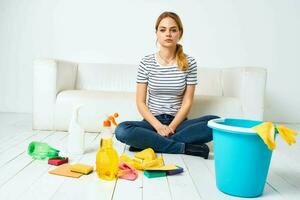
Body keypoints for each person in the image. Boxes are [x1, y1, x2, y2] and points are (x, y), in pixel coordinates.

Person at [115, 11, 219, 159]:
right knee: (122, 130)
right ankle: (183, 148)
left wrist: (171, 127)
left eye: (173, 30)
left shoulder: (190, 63)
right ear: (157, 33)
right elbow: (140, 102)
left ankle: (147, 144)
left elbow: (187, 102)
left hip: (178, 124)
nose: (168, 34)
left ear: (180, 33)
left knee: (215, 122)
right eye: (163, 30)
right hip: (152, 123)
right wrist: (159, 127)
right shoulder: (147, 62)